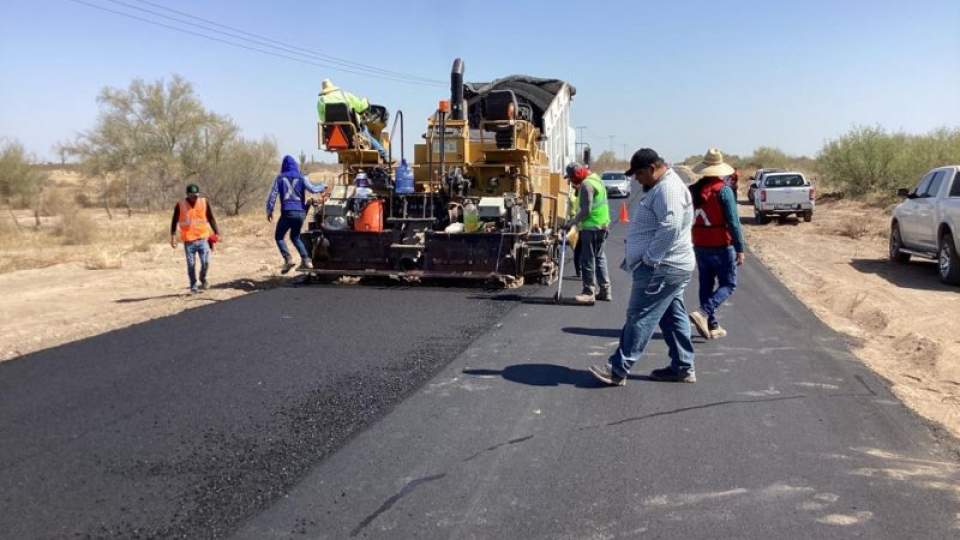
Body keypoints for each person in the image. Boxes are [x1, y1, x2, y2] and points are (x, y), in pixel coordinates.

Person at [589, 149, 697, 386]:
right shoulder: (664, 186)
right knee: (672, 316)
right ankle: (683, 366)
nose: (637, 179)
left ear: (652, 168)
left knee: (640, 315)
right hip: (672, 266)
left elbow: (670, 226)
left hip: (662, 267)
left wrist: (651, 258)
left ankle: (617, 369)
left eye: (639, 174)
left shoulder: (667, 189)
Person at [687, 149, 746, 339]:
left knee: (706, 283)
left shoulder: (692, 190)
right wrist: (740, 248)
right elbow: (733, 222)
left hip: (699, 243)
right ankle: (703, 313)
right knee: (729, 283)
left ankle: (712, 325)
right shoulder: (723, 191)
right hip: (721, 244)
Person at [266, 155, 326, 274]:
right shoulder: (301, 177)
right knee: (295, 237)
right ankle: (307, 260)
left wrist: (269, 210)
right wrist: (323, 186)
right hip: (300, 213)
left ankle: (288, 259)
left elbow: (273, 195)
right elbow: (313, 189)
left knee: (279, 236)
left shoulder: (280, 178)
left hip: (287, 213)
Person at [563, 162, 611, 303]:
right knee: (599, 258)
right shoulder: (596, 179)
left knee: (587, 260)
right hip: (602, 225)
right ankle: (605, 291)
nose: (571, 181)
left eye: (571, 178)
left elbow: (586, 210)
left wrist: (571, 223)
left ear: (577, 175)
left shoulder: (586, 185)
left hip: (591, 227)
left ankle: (588, 292)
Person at [317, 79, 387, 159]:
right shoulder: (345, 95)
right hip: (351, 131)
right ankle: (383, 154)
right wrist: (365, 101)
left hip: (332, 133)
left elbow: (322, 118)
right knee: (365, 131)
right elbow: (360, 107)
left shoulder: (321, 101)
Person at [170, 183, 220, 294]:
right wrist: (173, 236)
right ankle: (193, 285)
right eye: (192, 195)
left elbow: (211, 218)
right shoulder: (180, 205)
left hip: (203, 239)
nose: (194, 198)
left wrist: (217, 232)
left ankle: (203, 278)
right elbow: (174, 221)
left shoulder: (204, 202)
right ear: (187, 194)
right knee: (191, 265)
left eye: (196, 195)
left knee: (205, 262)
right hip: (189, 241)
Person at [566, 176, 583, 277]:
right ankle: (580, 271)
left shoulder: (577, 195)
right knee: (577, 249)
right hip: (575, 225)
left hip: (580, 224)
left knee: (579, 250)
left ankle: (581, 271)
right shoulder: (573, 194)